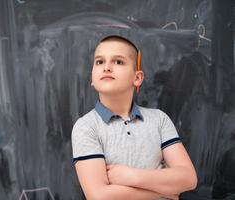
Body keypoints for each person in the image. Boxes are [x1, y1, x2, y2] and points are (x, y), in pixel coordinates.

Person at [71, 34, 197, 200]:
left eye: (118, 61)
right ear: (92, 78)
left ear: (137, 78)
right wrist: (163, 189)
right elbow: (99, 196)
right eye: (100, 62)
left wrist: (131, 176)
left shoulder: (159, 119)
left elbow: (188, 178)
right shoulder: (86, 126)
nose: (107, 67)